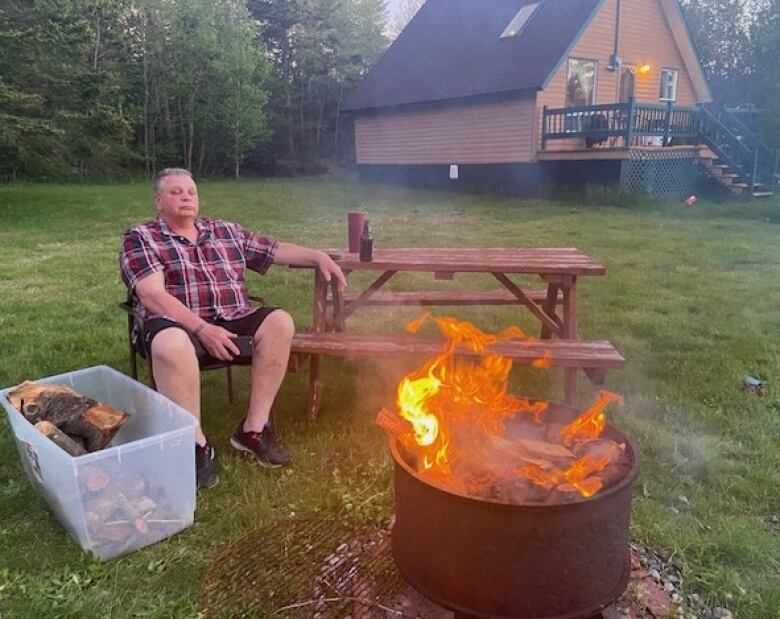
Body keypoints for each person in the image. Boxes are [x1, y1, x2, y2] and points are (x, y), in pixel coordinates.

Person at [119, 168, 345, 489]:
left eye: (191, 191)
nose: (186, 196)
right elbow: (151, 294)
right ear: (158, 201)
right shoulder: (141, 237)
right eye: (175, 192)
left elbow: (273, 250)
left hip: (232, 315)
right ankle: (194, 445)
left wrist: (316, 255)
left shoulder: (223, 230)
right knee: (171, 343)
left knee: (279, 321)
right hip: (175, 323)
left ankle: (253, 430)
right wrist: (201, 329)